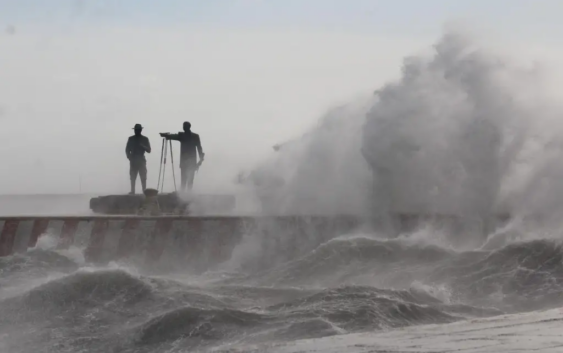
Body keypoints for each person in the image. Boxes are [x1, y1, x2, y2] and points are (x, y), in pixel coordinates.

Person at [160, 121, 204, 191]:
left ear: (188, 127)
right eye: (183, 126)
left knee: (189, 180)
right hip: (185, 161)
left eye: (184, 126)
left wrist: (201, 158)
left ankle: (187, 195)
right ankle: (183, 195)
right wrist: (166, 135)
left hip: (190, 161)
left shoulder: (194, 136)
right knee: (184, 180)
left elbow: (199, 148)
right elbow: (173, 136)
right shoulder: (184, 136)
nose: (183, 128)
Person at [125, 124, 151, 194]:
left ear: (140, 130)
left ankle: (144, 191)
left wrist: (143, 146)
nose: (136, 131)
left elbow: (149, 150)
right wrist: (129, 157)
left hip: (141, 159)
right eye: (135, 130)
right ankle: (132, 191)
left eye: (137, 130)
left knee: (143, 176)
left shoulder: (145, 139)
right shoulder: (131, 139)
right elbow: (127, 149)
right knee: (132, 176)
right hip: (133, 159)